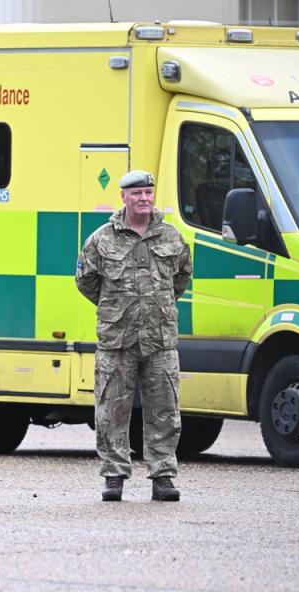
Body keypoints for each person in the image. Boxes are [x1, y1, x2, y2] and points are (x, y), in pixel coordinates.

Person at [75, 170, 193, 502]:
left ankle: (163, 476)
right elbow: (86, 281)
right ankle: (114, 475)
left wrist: (158, 306)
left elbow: (181, 277)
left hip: (160, 340)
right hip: (117, 340)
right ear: (124, 197)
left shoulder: (172, 237)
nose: (144, 198)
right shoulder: (102, 239)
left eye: (148, 192)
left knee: (165, 410)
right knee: (111, 409)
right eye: (137, 193)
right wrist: (116, 306)